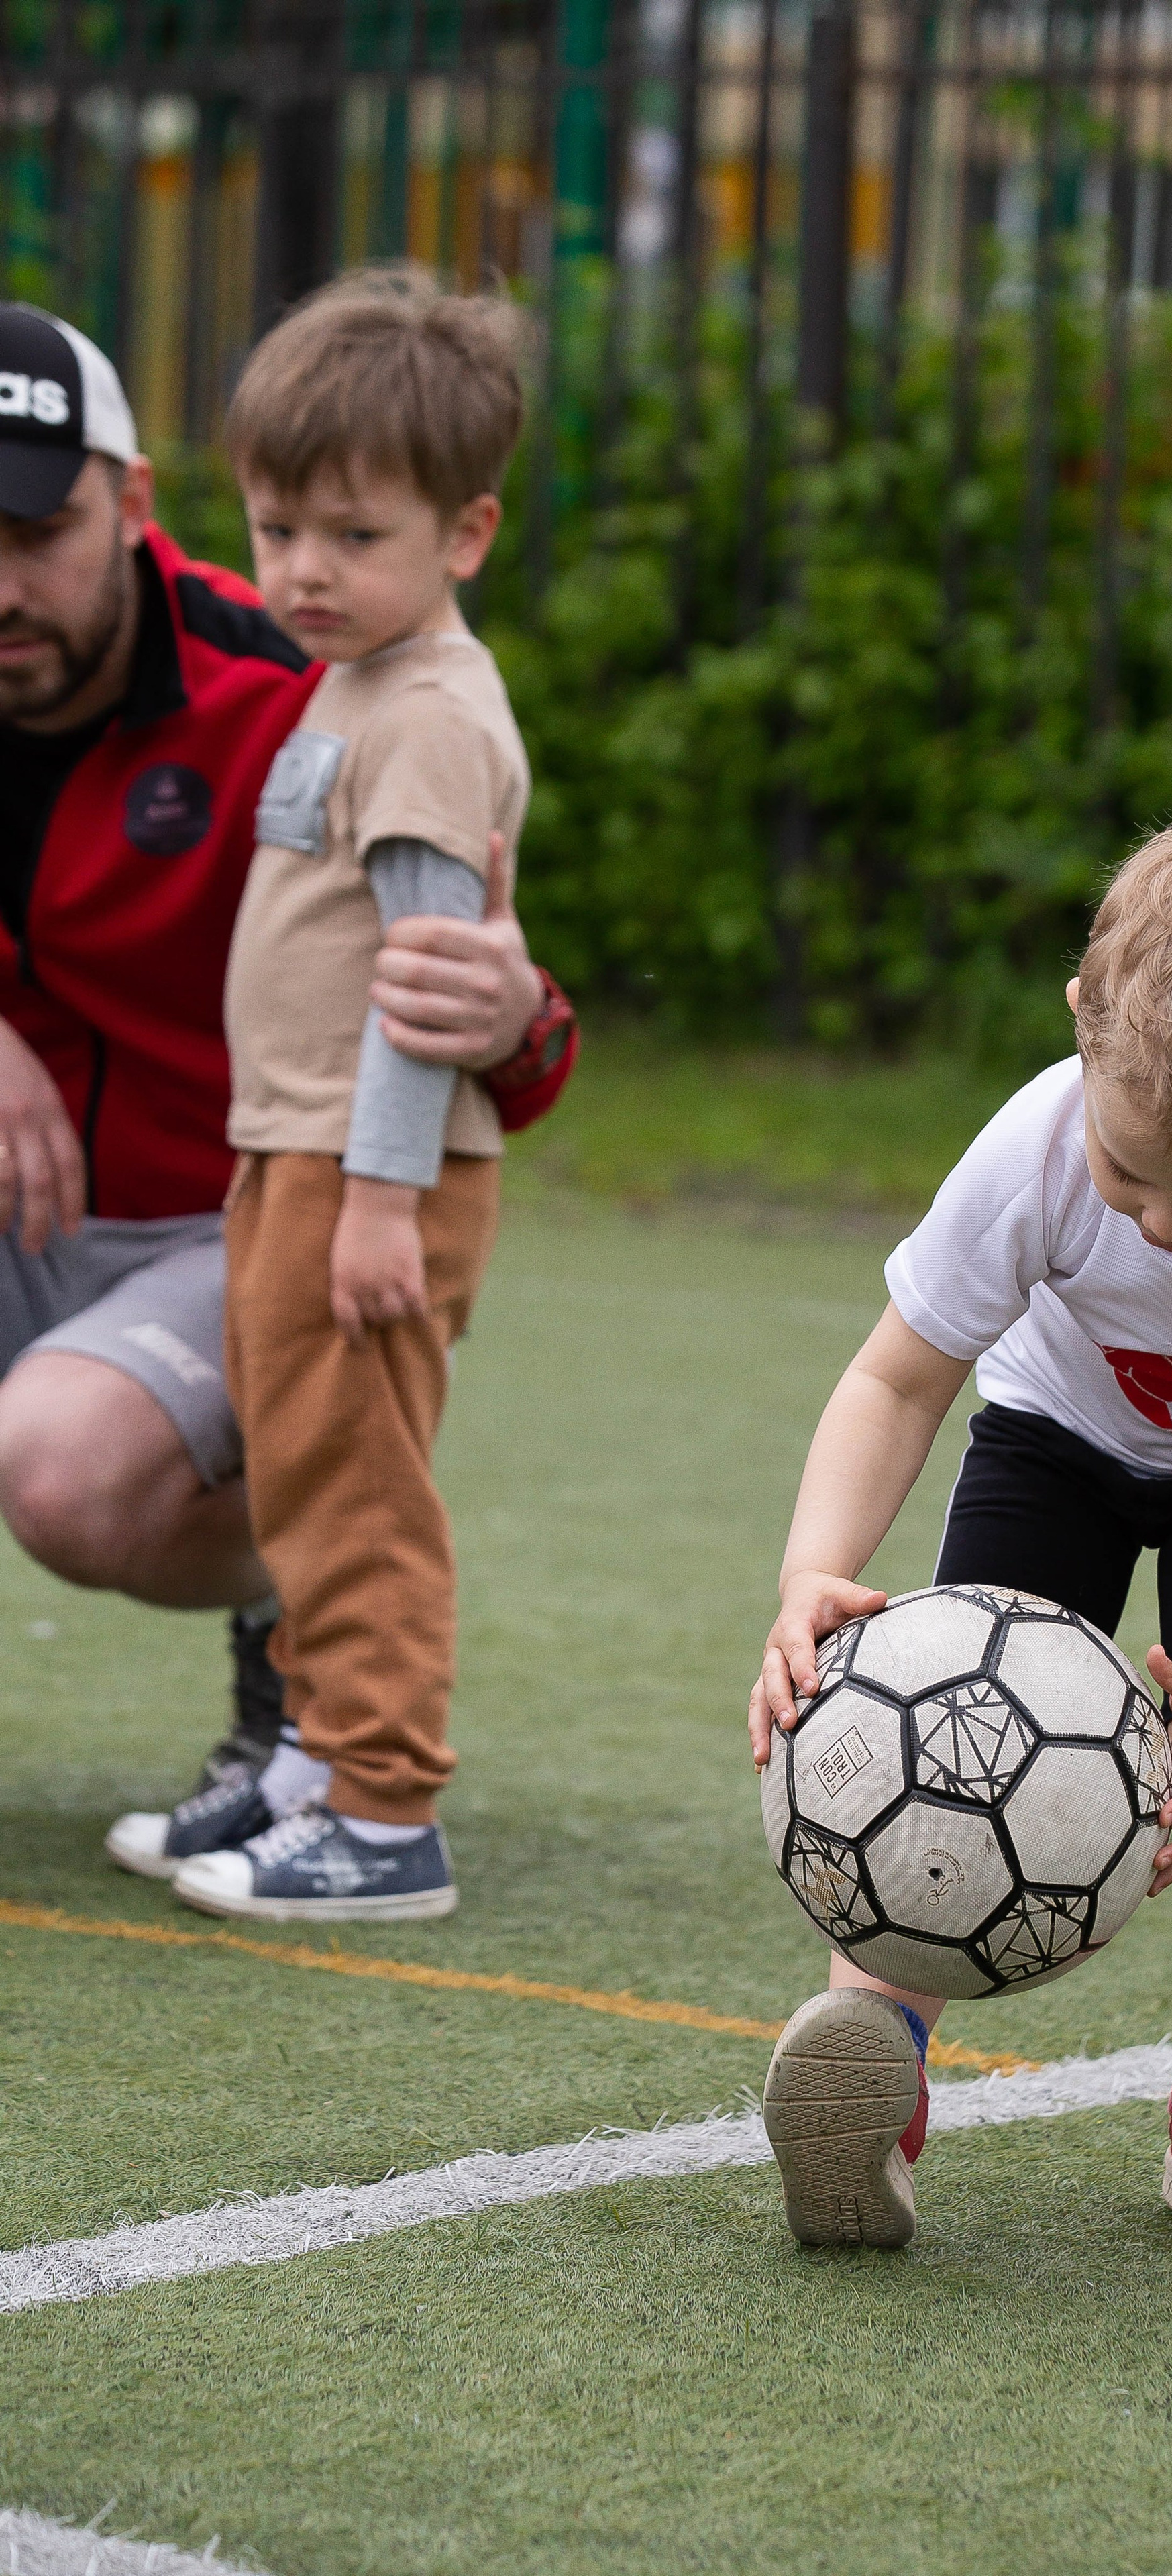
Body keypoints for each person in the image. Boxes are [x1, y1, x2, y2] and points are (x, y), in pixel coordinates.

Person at [747, 783, 1172, 2259]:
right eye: (1128, 1177)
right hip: (1051, 1438)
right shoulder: (1032, 1142)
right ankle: (871, 2058)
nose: (1165, 1231)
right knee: (927, 1716)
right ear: (1084, 1021)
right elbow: (895, 1380)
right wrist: (815, 1571)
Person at [0, 299, 574, 1860]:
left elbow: (464, 1009)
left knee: (259, 1473)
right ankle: (330, 1763)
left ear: (130, 506)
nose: (1, 583)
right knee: (316, 1463)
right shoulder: (356, 661)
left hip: (272, 1200)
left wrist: (509, 1023)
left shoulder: (323, 679)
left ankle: (351, 1761)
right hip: (211, 1193)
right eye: (286, 529)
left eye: (37, 529)